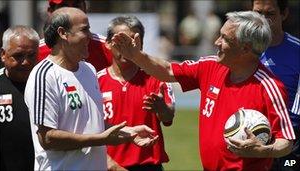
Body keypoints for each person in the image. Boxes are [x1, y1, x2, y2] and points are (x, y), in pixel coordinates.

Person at [110, 11, 296, 170]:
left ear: (245, 48)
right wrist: (135, 55)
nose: (216, 42)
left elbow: (286, 141)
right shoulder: (210, 66)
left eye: (224, 38)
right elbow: (167, 70)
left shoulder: (270, 87)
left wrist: (264, 150)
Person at [24, 7, 158, 171]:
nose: (90, 36)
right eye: (84, 30)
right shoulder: (44, 75)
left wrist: (128, 132)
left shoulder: (88, 70)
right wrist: (100, 139)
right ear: (63, 33)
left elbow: (91, 124)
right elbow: (47, 138)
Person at [98, 16, 175, 171]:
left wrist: (162, 108)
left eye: (132, 40)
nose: (126, 46)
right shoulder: (94, 81)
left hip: (148, 165)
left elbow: (168, 118)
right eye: (121, 40)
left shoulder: (156, 77)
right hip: (108, 165)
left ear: (140, 44)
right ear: (107, 43)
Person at [252, 0, 300, 170]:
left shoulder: (297, 51)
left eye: (270, 14)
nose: (262, 19)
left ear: (284, 14)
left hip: (291, 145)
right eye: (258, 13)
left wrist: (281, 138)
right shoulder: (242, 49)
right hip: (249, 138)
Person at [0, 26, 39, 171]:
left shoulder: (48, 83)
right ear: (3, 54)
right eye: (18, 55)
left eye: (31, 55)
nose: (26, 62)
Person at [38, 0, 112, 72]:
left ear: (85, 9)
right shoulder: (36, 52)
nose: (72, 12)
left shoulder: (108, 48)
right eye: (64, 7)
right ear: (51, 12)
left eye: (76, 6)